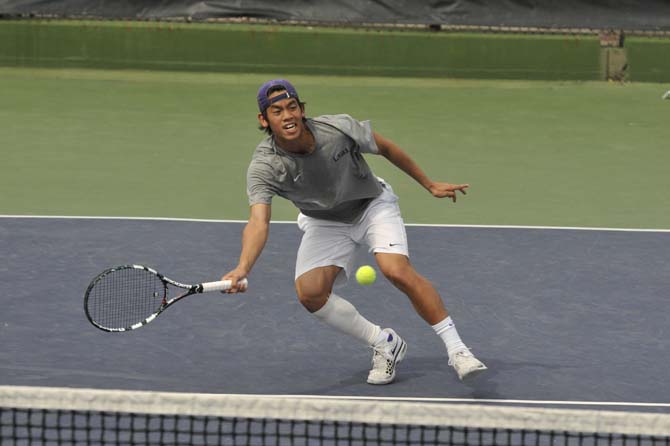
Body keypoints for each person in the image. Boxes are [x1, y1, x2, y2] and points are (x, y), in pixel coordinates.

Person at [221, 79, 487, 384]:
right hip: (324, 221)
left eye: (292, 107)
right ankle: (384, 343)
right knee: (310, 294)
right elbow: (258, 222)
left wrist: (429, 184)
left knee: (395, 270)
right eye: (277, 111)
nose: (287, 116)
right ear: (264, 120)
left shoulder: (337, 129)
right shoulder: (264, 165)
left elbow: (384, 147)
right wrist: (243, 266)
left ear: (302, 109)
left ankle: (458, 351)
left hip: (371, 205)